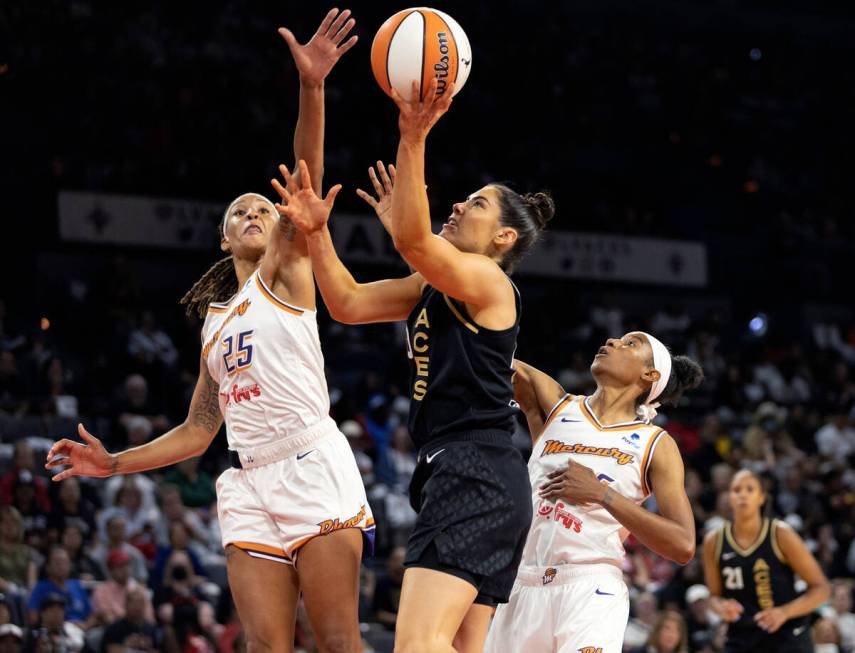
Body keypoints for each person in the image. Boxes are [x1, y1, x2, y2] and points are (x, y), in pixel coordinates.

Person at [45, 9, 372, 652]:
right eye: (238, 212)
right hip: (246, 477)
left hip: (310, 461)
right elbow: (199, 430)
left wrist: (312, 87)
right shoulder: (215, 323)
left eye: (261, 207)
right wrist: (114, 464)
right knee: (262, 647)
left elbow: (305, 173)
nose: (254, 213)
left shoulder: (287, 270)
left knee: (337, 641)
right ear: (223, 238)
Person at [275, 76, 554, 652]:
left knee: (417, 645)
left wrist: (414, 136)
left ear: (503, 237)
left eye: (475, 203)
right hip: (472, 475)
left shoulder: (488, 280)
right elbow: (347, 303)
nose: (458, 203)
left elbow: (412, 239)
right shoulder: (433, 286)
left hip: (474, 469)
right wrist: (318, 232)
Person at [483, 332, 704, 653]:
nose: (614, 341)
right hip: (521, 584)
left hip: (590, 589)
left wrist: (603, 494)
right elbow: (488, 354)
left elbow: (683, 545)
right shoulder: (556, 405)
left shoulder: (655, 443)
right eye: (618, 339)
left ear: (650, 375)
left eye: (631, 344)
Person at [702, 468, 831, 653]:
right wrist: (721, 607)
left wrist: (784, 612)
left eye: (750, 489)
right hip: (742, 637)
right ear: (729, 497)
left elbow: (822, 589)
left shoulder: (780, 534)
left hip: (786, 636)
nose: (743, 495)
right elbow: (713, 596)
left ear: (762, 497)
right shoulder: (713, 541)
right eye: (737, 490)